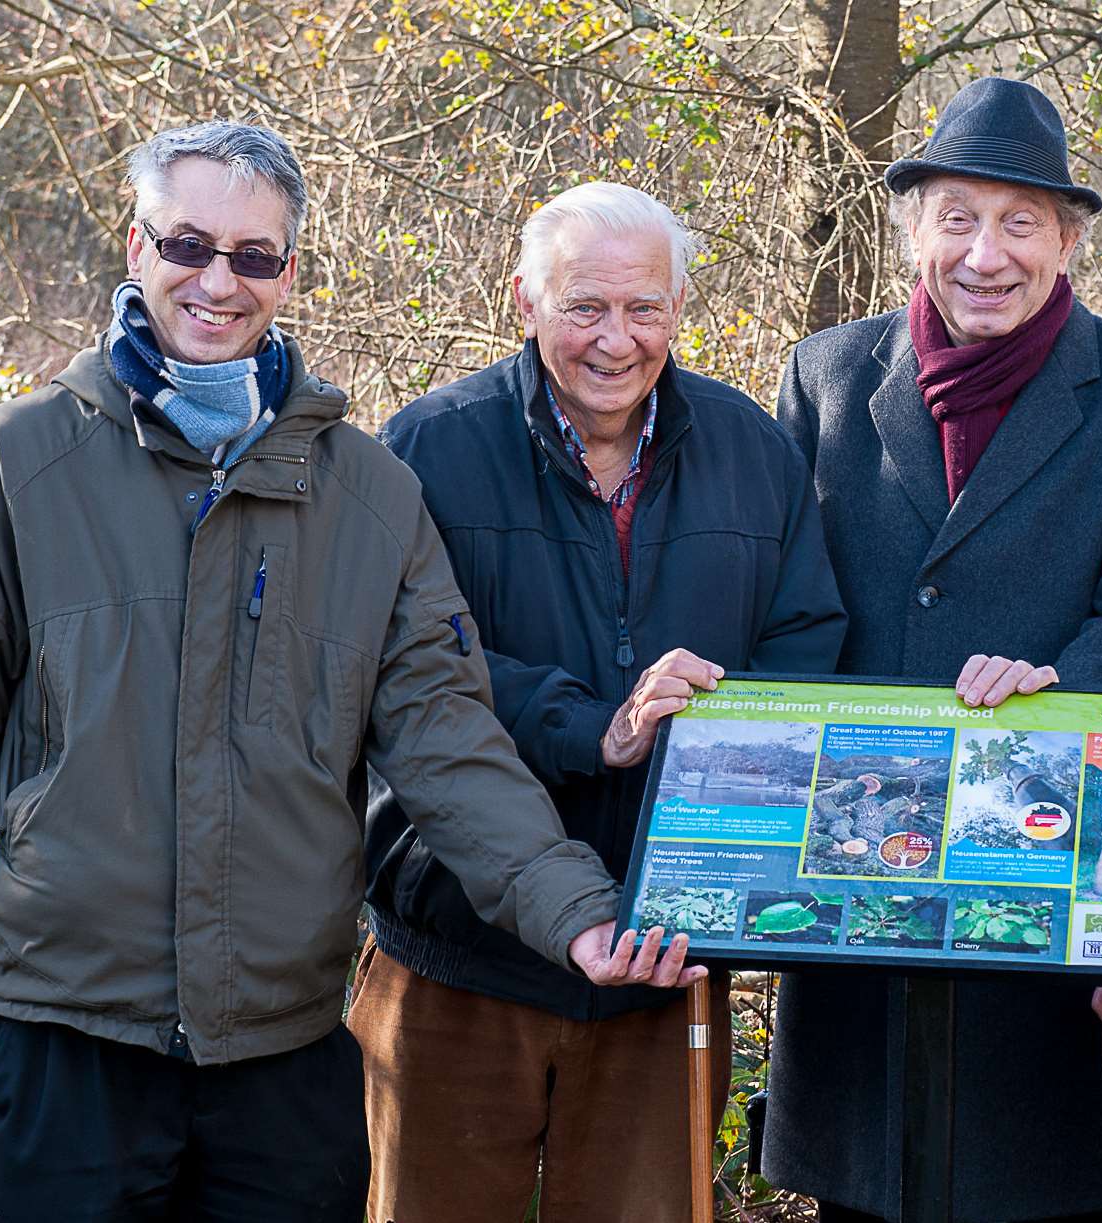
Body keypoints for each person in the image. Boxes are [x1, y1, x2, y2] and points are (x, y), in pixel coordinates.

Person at [0, 123, 693, 1223]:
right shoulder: (19, 462)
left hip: (285, 1051)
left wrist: (578, 913)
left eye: (255, 255)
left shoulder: (366, 492)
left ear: (290, 272)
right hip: (67, 1037)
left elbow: (445, 739)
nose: (219, 281)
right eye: (189, 244)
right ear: (136, 247)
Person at [765, 76, 1102, 1221]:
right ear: (912, 225)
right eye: (957, 216)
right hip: (857, 910)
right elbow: (783, 605)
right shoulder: (824, 376)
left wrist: (1061, 679)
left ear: (1066, 241)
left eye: (1020, 222)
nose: (985, 253)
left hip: (1045, 907)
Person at [352, 182, 846, 1222]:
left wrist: (710, 730)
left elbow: (806, 656)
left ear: (677, 308)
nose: (615, 340)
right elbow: (407, 671)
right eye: (584, 306)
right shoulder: (428, 448)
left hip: (667, 956)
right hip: (458, 951)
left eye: (644, 308)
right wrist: (598, 725)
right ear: (523, 300)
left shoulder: (752, 451)